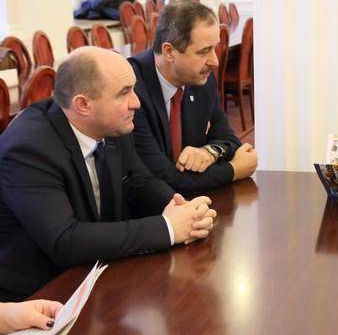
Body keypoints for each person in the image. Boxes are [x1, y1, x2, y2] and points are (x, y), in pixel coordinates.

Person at [0, 47, 217, 302]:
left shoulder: (112, 125)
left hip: (95, 275)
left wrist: (182, 210)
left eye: (134, 89)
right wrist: (168, 228)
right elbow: (65, 241)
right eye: (124, 93)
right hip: (38, 294)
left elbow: (138, 182)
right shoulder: (29, 149)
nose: (136, 103)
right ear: (83, 104)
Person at [129, 0, 257, 196]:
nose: (215, 61)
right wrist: (234, 170)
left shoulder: (201, 80)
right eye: (204, 51)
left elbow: (229, 140)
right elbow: (166, 178)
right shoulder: (131, 92)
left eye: (214, 48)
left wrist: (209, 152)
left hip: (193, 203)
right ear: (169, 52)